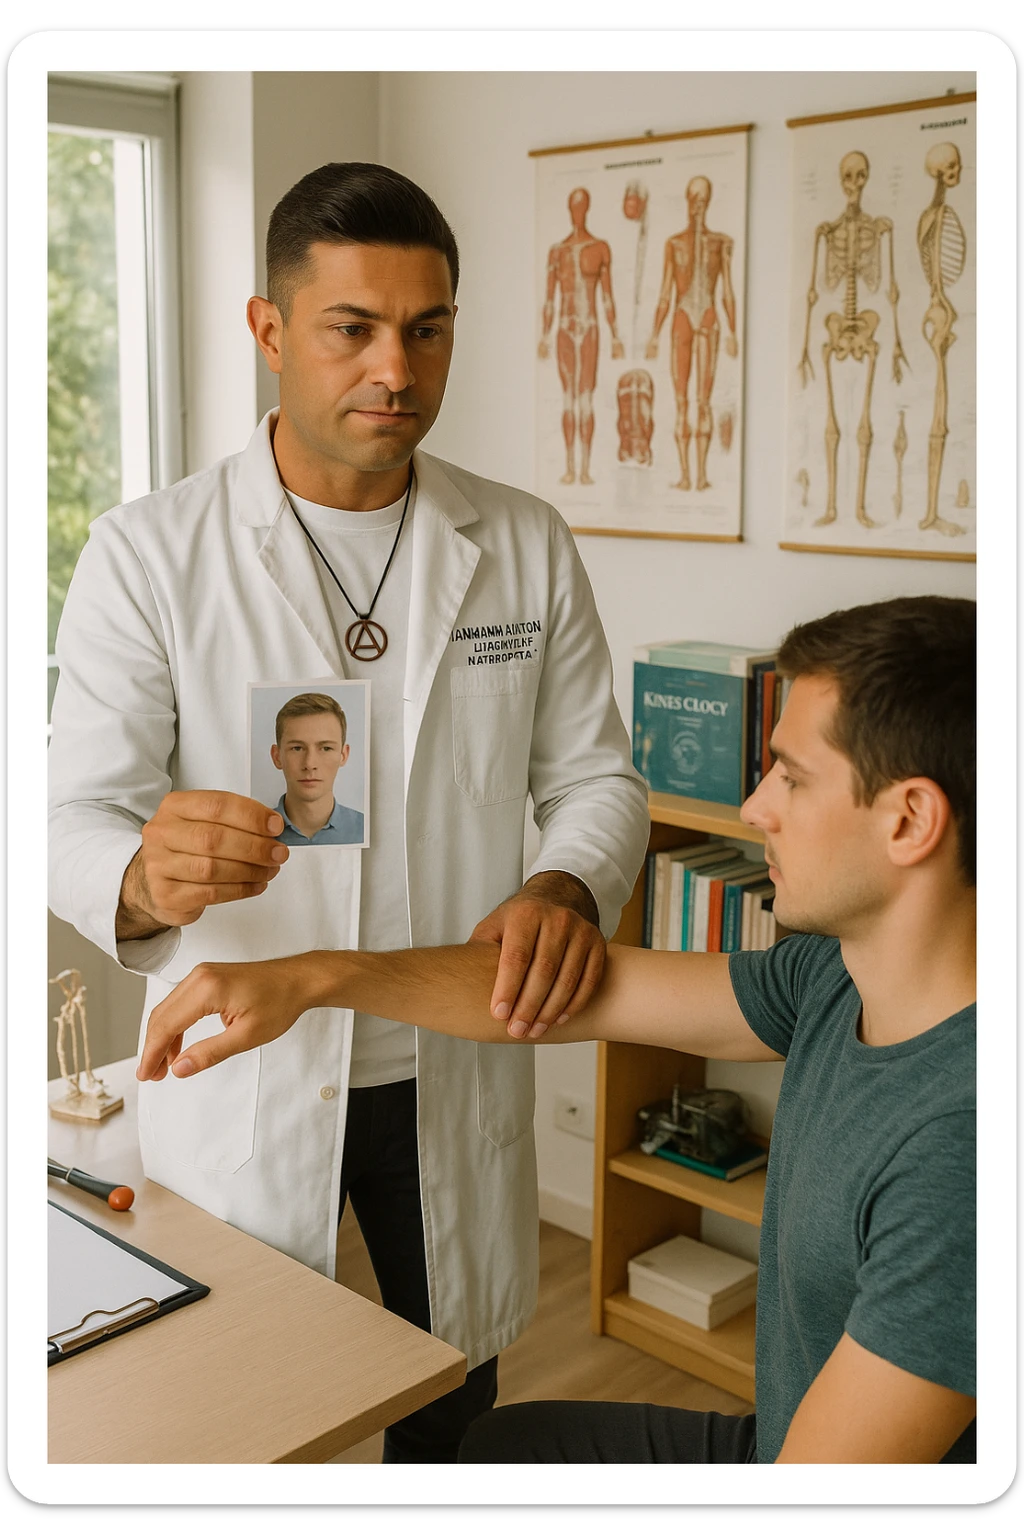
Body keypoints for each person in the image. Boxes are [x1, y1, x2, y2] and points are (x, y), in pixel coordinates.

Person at [47, 161, 650, 1464]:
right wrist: (145, 875)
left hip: (449, 1052)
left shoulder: (523, 542)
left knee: (451, 1394)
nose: (396, 370)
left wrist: (566, 883)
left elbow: (598, 777)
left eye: (427, 330)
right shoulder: (149, 555)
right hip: (245, 1065)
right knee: (242, 1410)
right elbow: (71, 814)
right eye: (353, 328)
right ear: (269, 332)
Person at [137, 595, 977, 1465]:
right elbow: (557, 993)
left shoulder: (961, 1153)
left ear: (910, 820)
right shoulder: (833, 978)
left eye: (792, 778)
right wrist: (313, 977)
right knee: (495, 1448)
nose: (755, 807)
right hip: (785, 1440)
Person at [646, 176, 738, 493]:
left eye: (703, 200)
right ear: (687, 200)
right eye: (694, 199)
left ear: (708, 202)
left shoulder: (721, 243)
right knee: (682, 401)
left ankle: (702, 476)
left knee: (704, 401)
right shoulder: (674, 244)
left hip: (708, 315)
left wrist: (733, 332)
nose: (698, 206)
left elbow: (728, 291)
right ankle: (686, 475)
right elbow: (665, 293)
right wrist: (654, 335)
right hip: (682, 315)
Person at [538, 186, 625, 485]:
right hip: (565, 327)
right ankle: (570, 467)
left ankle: (584, 469)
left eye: (581, 206)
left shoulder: (599, 248)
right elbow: (549, 299)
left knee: (585, 400)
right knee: (568, 400)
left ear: (586, 209)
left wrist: (615, 335)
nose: (577, 212)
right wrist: (545, 336)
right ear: (569, 209)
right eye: (574, 206)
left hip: (589, 327)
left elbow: (607, 296)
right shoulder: (558, 251)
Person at [270, 692, 364, 846]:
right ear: (277, 756)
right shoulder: (254, 832)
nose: (310, 764)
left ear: (343, 755)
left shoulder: (366, 829)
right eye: (297, 748)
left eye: (326, 748)